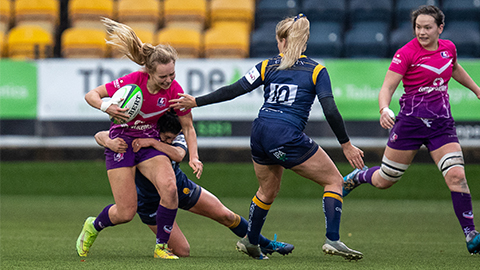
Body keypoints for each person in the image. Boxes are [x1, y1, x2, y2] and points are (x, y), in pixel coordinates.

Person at [170, 14, 365, 261]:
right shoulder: (317, 70)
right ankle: (333, 240)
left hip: (259, 133)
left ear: (282, 40)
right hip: (285, 135)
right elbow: (330, 110)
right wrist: (346, 144)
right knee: (334, 181)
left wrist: (197, 101)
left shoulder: (267, 65)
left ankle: (252, 241)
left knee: (267, 190)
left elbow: (234, 89)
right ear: (303, 43)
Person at [342, 5, 480, 255]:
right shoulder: (406, 53)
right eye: (418, 27)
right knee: (385, 180)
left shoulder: (449, 48)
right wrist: (384, 109)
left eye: (428, 27)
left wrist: (477, 89)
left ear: (440, 28)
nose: (422, 32)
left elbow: (455, 68)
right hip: (410, 125)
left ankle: (471, 235)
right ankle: (358, 176)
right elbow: (387, 87)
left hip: (441, 125)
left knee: (457, 176)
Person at [77, 18, 202, 260]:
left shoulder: (174, 91)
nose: (169, 80)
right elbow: (91, 95)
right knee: (125, 212)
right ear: (149, 72)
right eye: (163, 76)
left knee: (169, 188)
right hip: (121, 142)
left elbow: (188, 127)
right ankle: (93, 226)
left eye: (172, 74)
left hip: (147, 143)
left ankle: (160, 248)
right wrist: (106, 107)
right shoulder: (133, 81)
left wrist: (195, 157)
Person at [95, 110, 295, 257]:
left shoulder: (172, 135)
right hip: (150, 202)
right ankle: (95, 225)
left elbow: (180, 154)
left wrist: (156, 144)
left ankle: (266, 243)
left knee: (225, 215)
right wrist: (109, 142)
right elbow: (101, 135)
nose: (170, 140)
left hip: (179, 187)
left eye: (172, 138)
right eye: (166, 138)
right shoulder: (141, 133)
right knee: (183, 251)